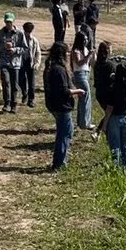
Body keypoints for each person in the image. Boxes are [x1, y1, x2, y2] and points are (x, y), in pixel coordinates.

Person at [43, 42, 83, 170]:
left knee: (67, 131)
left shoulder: (51, 67)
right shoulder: (59, 70)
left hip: (55, 104)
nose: (68, 55)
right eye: (67, 52)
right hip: (62, 106)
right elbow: (64, 90)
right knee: (64, 134)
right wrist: (78, 91)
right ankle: (59, 163)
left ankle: (60, 161)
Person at [102, 61, 126, 171]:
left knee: (115, 145)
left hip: (115, 118)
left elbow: (109, 108)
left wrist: (104, 124)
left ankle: (115, 167)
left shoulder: (113, 88)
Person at [0, 12, 24, 114]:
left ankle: (14, 104)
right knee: (6, 82)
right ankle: (7, 103)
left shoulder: (19, 34)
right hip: (3, 62)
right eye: (6, 21)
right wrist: (3, 46)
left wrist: (14, 49)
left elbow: (25, 48)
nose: (8, 23)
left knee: (14, 84)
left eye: (10, 21)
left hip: (15, 63)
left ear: (13, 21)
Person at [70, 30, 94, 130]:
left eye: (87, 39)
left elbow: (88, 63)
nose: (86, 41)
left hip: (85, 73)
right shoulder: (76, 51)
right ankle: (84, 123)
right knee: (85, 97)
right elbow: (79, 63)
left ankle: (82, 121)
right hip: (80, 75)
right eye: (84, 39)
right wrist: (88, 56)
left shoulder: (85, 49)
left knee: (84, 98)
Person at [19, 21, 41, 107]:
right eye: (26, 30)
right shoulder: (20, 38)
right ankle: (24, 93)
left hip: (30, 62)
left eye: (29, 30)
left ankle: (31, 99)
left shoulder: (34, 40)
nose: (28, 32)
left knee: (31, 82)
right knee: (21, 79)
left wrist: (37, 63)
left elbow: (38, 52)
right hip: (21, 61)